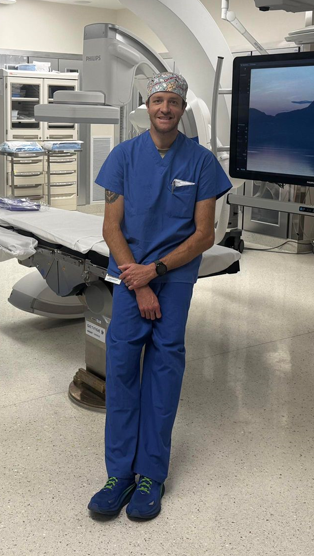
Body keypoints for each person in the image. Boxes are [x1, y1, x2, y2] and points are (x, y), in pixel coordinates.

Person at [87, 72, 233, 521]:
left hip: (174, 281)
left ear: (182, 109)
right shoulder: (123, 157)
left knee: (164, 375)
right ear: (146, 107)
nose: (165, 108)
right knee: (123, 371)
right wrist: (141, 280)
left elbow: (204, 234)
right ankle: (119, 475)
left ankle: (151, 474)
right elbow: (111, 227)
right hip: (131, 280)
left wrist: (157, 271)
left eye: (172, 101)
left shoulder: (201, 163)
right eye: (157, 100)